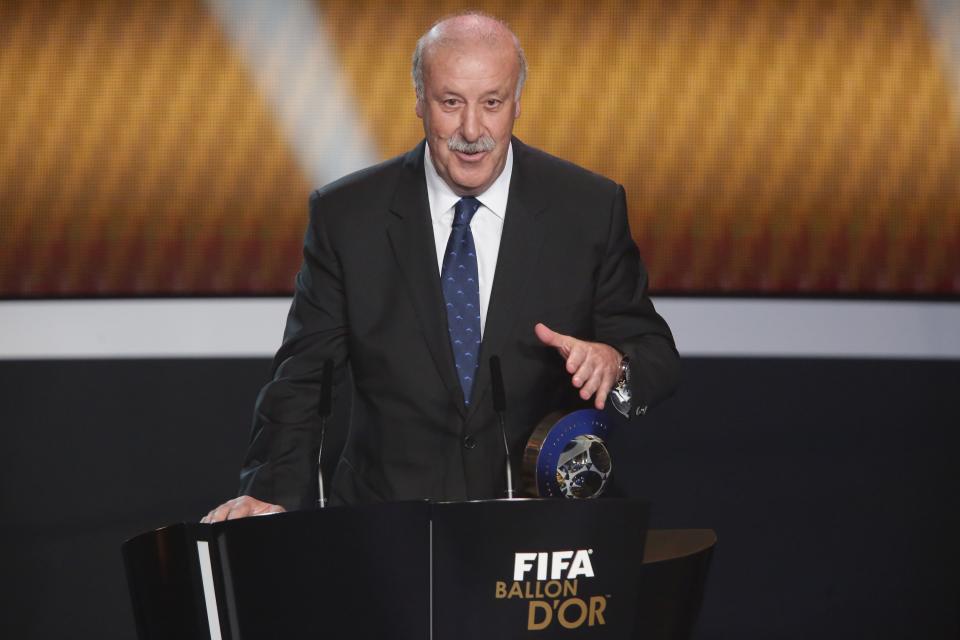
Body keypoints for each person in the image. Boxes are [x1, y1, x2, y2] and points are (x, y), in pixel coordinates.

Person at [202, 11, 678, 523]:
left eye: (491, 103)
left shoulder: (587, 209)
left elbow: (654, 356)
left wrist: (614, 364)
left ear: (517, 102)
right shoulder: (349, 217)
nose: (471, 130)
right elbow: (302, 380)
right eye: (451, 103)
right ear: (419, 102)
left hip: (536, 533)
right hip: (384, 530)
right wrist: (272, 493)